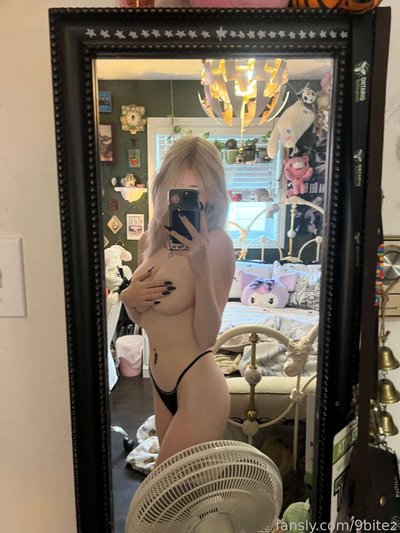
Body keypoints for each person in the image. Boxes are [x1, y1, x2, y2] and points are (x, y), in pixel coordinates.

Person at [120, 137, 236, 466]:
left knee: (162, 487)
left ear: (212, 193)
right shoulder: (148, 241)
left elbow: (207, 338)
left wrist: (201, 271)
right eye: (180, 190)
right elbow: (146, 319)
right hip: (160, 384)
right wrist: (128, 297)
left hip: (198, 385)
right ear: (165, 189)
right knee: (183, 491)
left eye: (197, 191)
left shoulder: (217, 244)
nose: (190, 199)